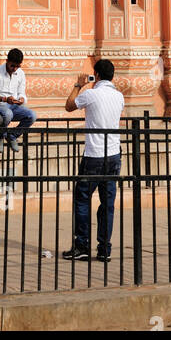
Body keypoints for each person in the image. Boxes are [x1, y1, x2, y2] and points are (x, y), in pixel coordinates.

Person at [62, 59, 124, 262]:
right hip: (114, 154)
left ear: (96, 75)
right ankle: (104, 248)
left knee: (82, 199)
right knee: (108, 203)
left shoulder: (91, 93)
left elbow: (69, 106)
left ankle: (82, 245)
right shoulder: (119, 96)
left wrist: (79, 85)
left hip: (94, 154)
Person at [0, 48, 36, 153]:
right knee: (8, 114)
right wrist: (5, 99)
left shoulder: (20, 73)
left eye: (17, 66)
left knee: (32, 115)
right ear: (7, 61)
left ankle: (12, 135)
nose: (15, 69)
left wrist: (21, 99)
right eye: (12, 66)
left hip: (14, 105)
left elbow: (22, 92)